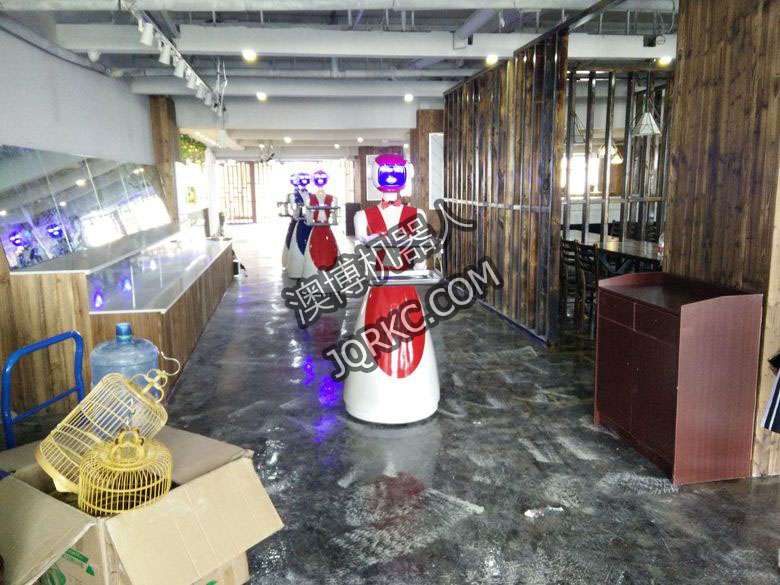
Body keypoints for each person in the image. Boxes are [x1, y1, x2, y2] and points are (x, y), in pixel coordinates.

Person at [344, 154, 440, 424]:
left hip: (396, 290)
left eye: (394, 171)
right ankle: (381, 401)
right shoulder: (366, 216)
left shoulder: (413, 214)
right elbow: (366, 255)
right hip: (386, 290)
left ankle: (385, 401)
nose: (390, 176)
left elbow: (417, 258)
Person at [302, 169, 339, 278]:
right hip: (317, 227)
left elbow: (334, 215)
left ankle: (330, 271)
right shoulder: (310, 198)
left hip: (326, 227)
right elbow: (308, 216)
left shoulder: (332, 198)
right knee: (315, 247)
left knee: (330, 248)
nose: (320, 179)